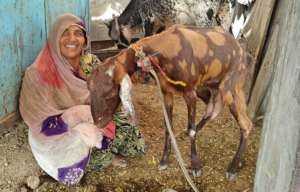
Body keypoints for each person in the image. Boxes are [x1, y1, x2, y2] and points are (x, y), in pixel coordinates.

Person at [19, 13, 144, 185]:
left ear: (85, 40)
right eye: (65, 33)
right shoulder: (37, 73)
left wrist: (132, 70)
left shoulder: (90, 62)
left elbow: (110, 85)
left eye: (78, 33)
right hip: (57, 132)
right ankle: (102, 157)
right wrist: (77, 117)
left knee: (123, 123)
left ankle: (106, 147)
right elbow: (38, 122)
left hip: (90, 117)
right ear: (55, 38)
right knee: (89, 142)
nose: (72, 39)